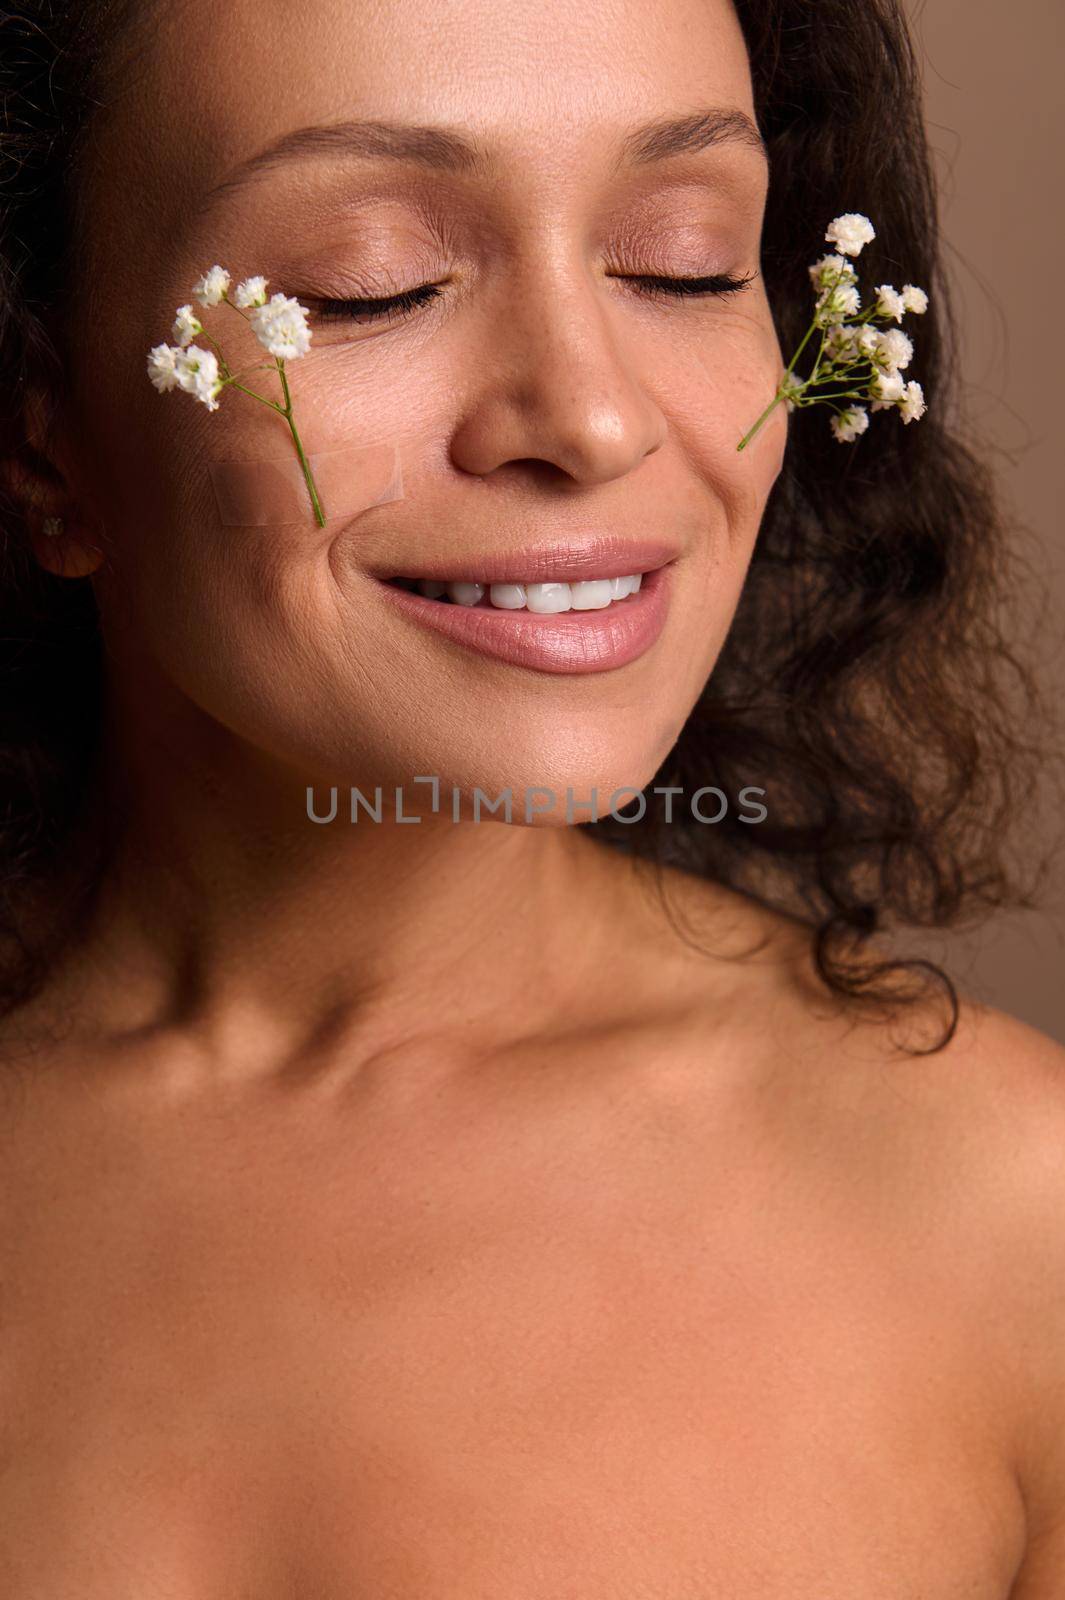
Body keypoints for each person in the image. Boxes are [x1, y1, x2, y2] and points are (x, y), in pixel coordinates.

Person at [0, 0, 1062, 1590]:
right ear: (40, 425)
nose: (592, 415)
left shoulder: (1011, 1225)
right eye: (371, 284)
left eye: (685, 263)